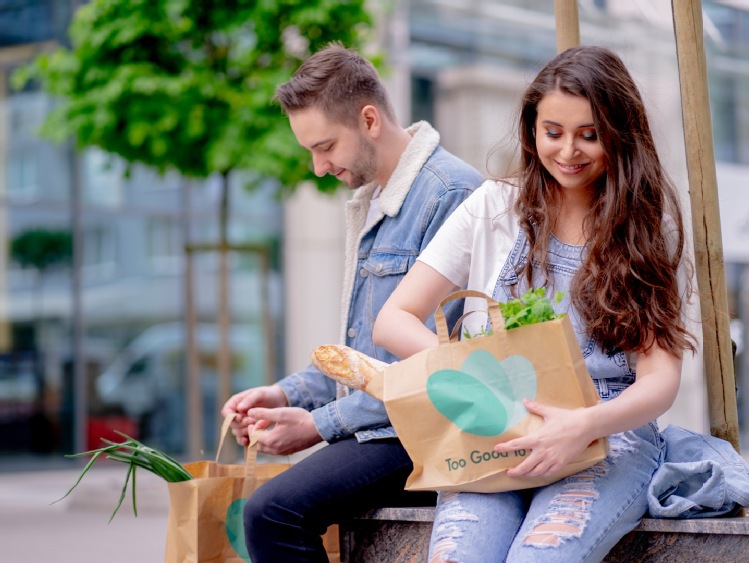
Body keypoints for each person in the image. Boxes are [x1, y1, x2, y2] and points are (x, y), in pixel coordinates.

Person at [373, 45, 696, 562]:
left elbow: (660, 380)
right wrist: (473, 379)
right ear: (532, 130)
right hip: (495, 424)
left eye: (590, 135)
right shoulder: (492, 206)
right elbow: (392, 319)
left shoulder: (647, 228)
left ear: (619, 136)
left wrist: (583, 425)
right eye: (554, 132)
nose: (569, 151)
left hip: (606, 434)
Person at [221, 43, 482, 562]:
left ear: (369, 120)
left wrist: (318, 425)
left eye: (325, 147)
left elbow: (433, 369)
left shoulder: (450, 195)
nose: (318, 168)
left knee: (271, 512)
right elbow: (364, 360)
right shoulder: (377, 203)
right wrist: (287, 393)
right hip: (385, 425)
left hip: (425, 431)